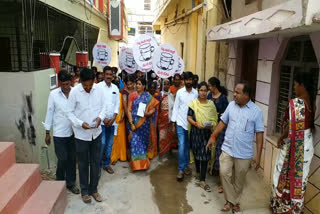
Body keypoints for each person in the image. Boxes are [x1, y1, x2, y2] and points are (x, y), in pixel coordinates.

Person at [206, 80, 264, 212]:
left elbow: (260, 135)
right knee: (224, 173)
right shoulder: (231, 105)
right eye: (235, 92)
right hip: (227, 148)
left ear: (246, 95)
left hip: (244, 153)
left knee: (239, 180)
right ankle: (232, 201)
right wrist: (213, 136)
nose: (234, 95)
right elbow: (222, 122)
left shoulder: (256, 112)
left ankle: (231, 202)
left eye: (238, 93)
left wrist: (258, 156)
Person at [270, 72, 315, 214]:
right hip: (306, 144)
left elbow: (291, 128)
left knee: (285, 174)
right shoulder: (311, 102)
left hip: (296, 146)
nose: (294, 87)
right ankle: (293, 208)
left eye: (296, 84)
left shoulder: (298, 104)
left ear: (302, 85)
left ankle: (283, 208)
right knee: (299, 178)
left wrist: (281, 137)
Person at [67, 67, 108, 203]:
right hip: (81, 136)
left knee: (96, 163)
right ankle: (85, 191)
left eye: (90, 85)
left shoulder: (99, 90)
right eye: (85, 85)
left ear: (94, 81)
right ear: (80, 82)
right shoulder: (74, 93)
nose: (88, 88)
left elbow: (104, 107)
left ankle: (94, 190)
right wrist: (80, 123)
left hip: (96, 134)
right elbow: (69, 113)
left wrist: (100, 118)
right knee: (83, 164)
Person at [43, 70, 79, 195]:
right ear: (59, 83)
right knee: (62, 159)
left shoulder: (75, 92)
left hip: (74, 132)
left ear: (71, 82)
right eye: (63, 84)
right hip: (59, 133)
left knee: (72, 159)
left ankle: (71, 183)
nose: (65, 87)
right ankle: (59, 182)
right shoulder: (53, 95)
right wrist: (47, 132)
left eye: (67, 84)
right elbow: (50, 112)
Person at [188, 81, 218, 191]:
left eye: (205, 90)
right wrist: (196, 124)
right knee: (197, 153)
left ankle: (202, 180)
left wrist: (211, 125)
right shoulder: (193, 103)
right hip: (196, 132)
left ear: (207, 91)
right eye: (201, 90)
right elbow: (189, 117)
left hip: (207, 134)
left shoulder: (211, 104)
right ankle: (198, 170)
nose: (203, 93)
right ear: (198, 91)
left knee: (205, 155)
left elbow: (215, 118)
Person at [171, 71, 198, 181]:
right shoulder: (180, 93)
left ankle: (186, 166)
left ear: (192, 80)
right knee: (181, 145)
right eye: (186, 80)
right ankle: (181, 169)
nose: (188, 81)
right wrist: (173, 124)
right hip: (181, 123)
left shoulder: (196, 93)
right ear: (184, 81)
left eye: (190, 80)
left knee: (187, 146)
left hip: (191, 124)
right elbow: (176, 108)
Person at [128, 78, 159, 171]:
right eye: (137, 84)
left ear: (144, 86)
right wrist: (131, 123)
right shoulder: (132, 96)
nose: (137, 85)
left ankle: (143, 164)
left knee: (142, 144)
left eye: (140, 84)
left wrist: (148, 113)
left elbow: (153, 108)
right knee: (134, 142)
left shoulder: (148, 96)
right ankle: (136, 165)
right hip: (134, 124)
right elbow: (129, 110)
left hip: (144, 125)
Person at [207, 77, 229, 194]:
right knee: (210, 150)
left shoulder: (223, 99)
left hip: (220, 129)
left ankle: (222, 182)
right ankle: (211, 170)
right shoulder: (209, 97)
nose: (209, 88)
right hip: (209, 127)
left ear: (214, 86)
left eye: (210, 86)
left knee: (220, 153)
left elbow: (226, 115)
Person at [98, 66, 120, 174]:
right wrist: (103, 119)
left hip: (112, 122)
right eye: (107, 74)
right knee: (101, 143)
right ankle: (97, 165)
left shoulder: (115, 88)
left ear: (113, 76)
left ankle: (106, 164)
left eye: (111, 75)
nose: (109, 76)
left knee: (109, 144)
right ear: (103, 75)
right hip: (101, 122)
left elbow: (117, 104)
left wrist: (114, 118)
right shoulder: (97, 87)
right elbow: (96, 105)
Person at [158, 79, 177, 159]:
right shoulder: (160, 95)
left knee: (170, 136)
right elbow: (158, 107)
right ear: (162, 85)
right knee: (162, 137)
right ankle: (161, 154)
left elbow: (174, 107)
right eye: (164, 84)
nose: (166, 86)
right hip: (162, 119)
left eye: (167, 84)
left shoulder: (171, 95)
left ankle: (170, 151)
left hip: (170, 119)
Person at [110, 85, 127, 164]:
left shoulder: (120, 96)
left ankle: (121, 156)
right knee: (114, 139)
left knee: (120, 138)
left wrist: (123, 113)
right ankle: (114, 157)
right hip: (113, 120)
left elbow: (124, 107)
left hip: (120, 120)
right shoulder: (110, 95)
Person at [121, 75, 136, 160]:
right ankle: (129, 155)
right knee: (129, 135)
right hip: (128, 117)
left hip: (137, 116)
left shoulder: (136, 91)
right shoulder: (124, 92)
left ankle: (136, 153)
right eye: (128, 84)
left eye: (131, 84)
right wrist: (130, 119)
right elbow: (125, 107)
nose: (130, 86)